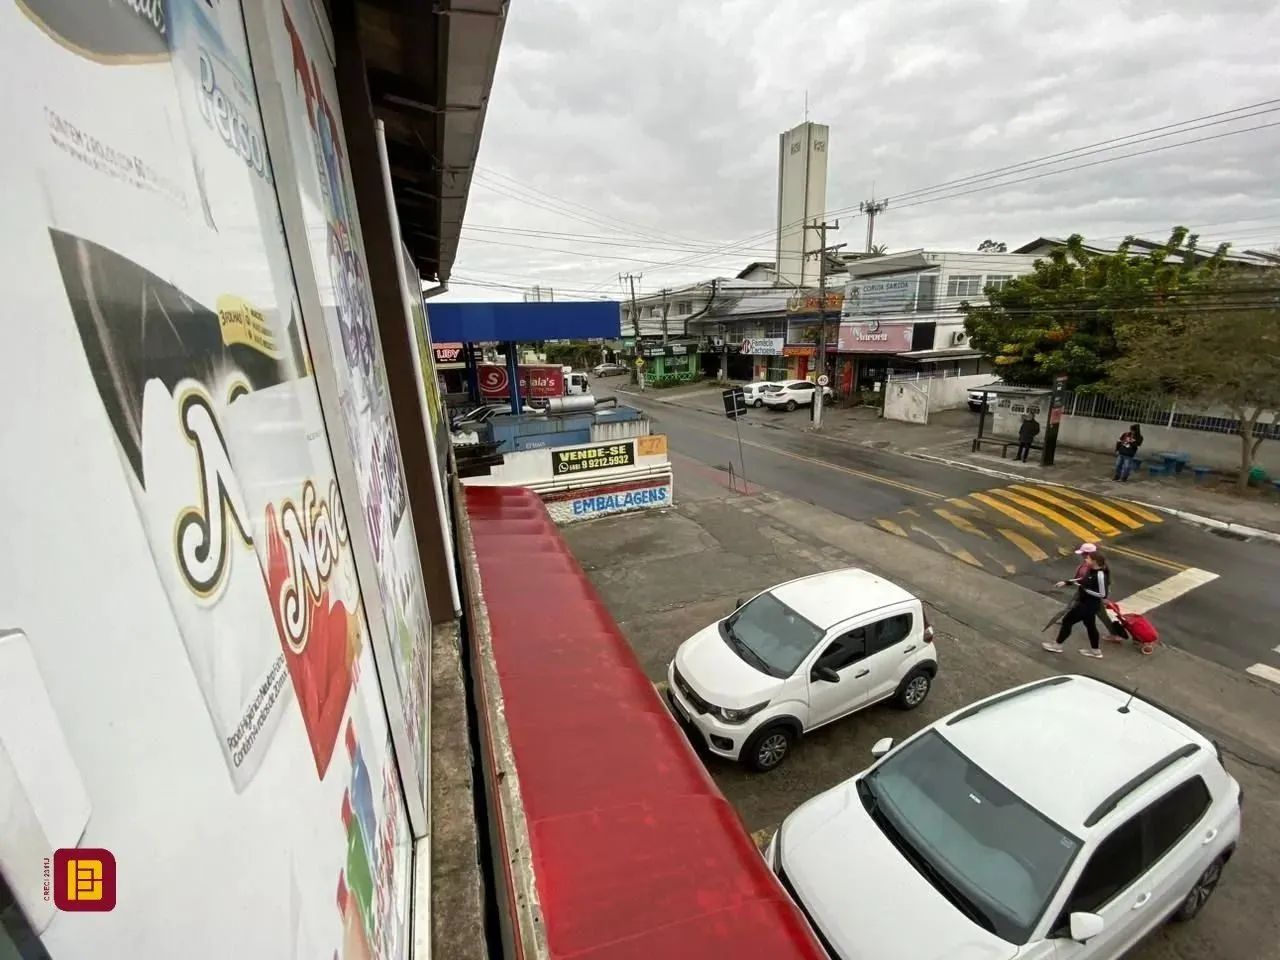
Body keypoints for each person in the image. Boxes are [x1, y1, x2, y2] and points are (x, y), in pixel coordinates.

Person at [1042, 551, 1109, 658]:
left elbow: (1102, 594)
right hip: (1086, 603)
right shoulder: (1091, 570)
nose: (1085, 560)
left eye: (1088, 559)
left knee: (1067, 620)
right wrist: (1067, 582)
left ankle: (1057, 645)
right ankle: (1096, 651)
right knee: (1090, 626)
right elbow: (1082, 580)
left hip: (1088, 605)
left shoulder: (1100, 575)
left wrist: (1085, 590)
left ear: (1094, 561)